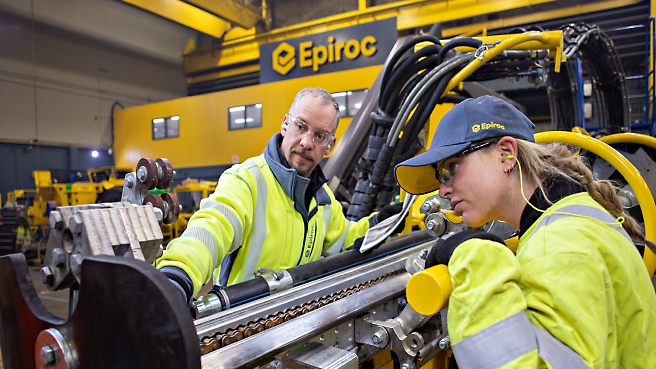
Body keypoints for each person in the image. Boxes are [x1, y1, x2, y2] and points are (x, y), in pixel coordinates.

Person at [395, 95, 656, 368]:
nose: (442, 190)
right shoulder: (573, 217)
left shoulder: (560, 245)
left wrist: (475, 258)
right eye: (440, 177)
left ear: (506, 153)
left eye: (452, 168)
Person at [157, 87, 405, 306]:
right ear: (285, 124)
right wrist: (176, 277)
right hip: (243, 327)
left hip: (299, 322)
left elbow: (343, 240)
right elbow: (210, 231)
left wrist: (377, 224)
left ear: (330, 145)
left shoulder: (323, 199)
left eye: (320, 136)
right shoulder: (247, 181)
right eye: (301, 126)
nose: (307, 142)